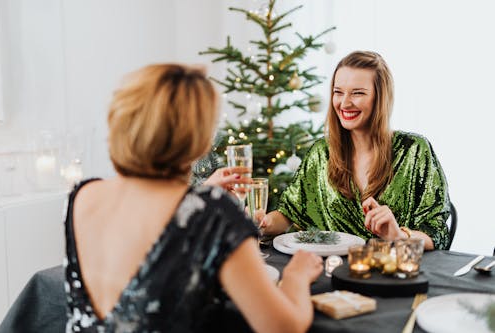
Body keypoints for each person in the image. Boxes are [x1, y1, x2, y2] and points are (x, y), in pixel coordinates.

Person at [63, 64, 323, 333]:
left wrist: (201, 194)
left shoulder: (81, 195)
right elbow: (283, 328)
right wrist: (296, 277)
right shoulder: (212, 212)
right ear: (198, 140)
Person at [261, 51, 451, 251]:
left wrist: (398, 235)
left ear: (380, 97)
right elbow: (289, 214)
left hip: (394, 274)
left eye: (357, 93)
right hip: (331, 275)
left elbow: (437, 234)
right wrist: (261, 223)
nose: (344, 103)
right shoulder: (321, 153)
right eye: (338, 92)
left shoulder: (414, 151)